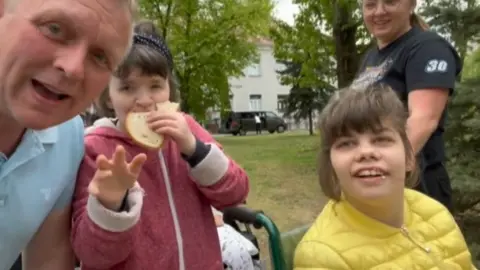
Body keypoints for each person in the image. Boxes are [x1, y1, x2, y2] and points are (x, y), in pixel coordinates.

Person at [70, 21, 250, 270]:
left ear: (169, 89)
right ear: (108, 96)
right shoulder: (95, 149)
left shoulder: (187, 131)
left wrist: (194, 150)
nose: (144, 100)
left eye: (155, 86)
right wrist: (110, 205)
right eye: (127, 88)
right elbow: (93, 256)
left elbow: (237, 193)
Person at [0, 0, 134, 269]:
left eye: (99, 57)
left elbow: (48, 257)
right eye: (54, 29)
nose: (73, 68)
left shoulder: (68, 136)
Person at [293, 85, 474, 269]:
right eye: (346, 143)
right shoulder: (322, 258)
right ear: (331, 165)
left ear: (409, 157)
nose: (366, 152)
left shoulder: (435, 213)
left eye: (382, 140)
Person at [351, 0, 462, 211]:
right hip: (372, 180)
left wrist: (377, 171)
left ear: (411, 5)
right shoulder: (371, 57)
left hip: (415, 186)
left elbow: (423, 120)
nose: (379, 11)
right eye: (370, 5)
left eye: (390, 2)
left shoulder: (428, 47)